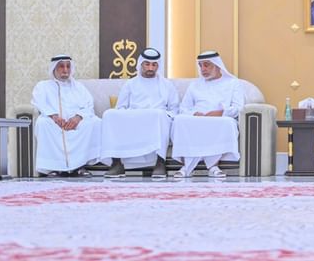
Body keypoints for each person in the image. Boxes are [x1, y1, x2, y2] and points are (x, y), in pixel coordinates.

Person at [100, 47, 178, 179]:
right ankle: (116, 163)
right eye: (147, 64)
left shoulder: (167, 85)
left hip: (156, 119)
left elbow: (174, 110)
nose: (150, 68)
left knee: (160, 115)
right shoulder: (130, 84)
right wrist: (127, 116)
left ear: (158, 66)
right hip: (134, 118)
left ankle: (160, 162)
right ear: (141, 64)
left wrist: (163, 114)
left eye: (154, 65)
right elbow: (121, 107)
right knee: (109, 114)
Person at [170, 50, 243, 179]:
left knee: (228, 123)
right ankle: (186, 166)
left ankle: (213, 166)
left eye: (207, 65)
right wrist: (194, 113)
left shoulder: (233, 83)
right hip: (197, 119)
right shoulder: (195, 85)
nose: (203, 69)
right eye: (200, 65)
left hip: (220, 118)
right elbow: (183, 108)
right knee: (179, 120)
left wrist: (221, 113)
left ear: (217, 65)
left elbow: (238, 108)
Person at [31, 54, 103, 177]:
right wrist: (53, 116)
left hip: (75, 123)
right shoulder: (43, 86)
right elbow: (38, 102)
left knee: (95, 122)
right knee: (42, 123)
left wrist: (78, 117)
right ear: (54, 68)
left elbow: (88, 105)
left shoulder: (78, 87)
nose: (65, 70)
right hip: (54, 123)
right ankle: (53, 167)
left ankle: (80, 166)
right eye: (61, 66)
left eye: (68, 66)